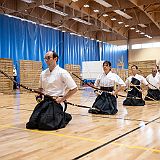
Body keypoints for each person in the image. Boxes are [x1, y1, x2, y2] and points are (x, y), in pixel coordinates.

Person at [26, 51, 78, 130]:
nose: (46, 60)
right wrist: (38, 95)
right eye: (45, 58)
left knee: (46, 125)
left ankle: (65, 116)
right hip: (45, 101)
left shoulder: (63, 72)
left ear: (55, 59)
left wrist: (62, 99)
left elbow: (74, 88)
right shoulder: (43, 73)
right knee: (32, 123)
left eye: (48, 58)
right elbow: (40, 88)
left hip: (57, 102)